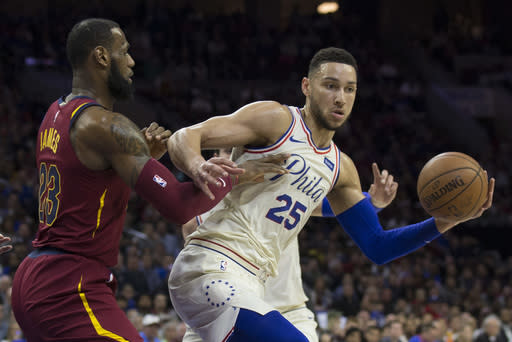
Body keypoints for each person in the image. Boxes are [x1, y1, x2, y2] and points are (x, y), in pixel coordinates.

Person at [166, 46, 495, 342]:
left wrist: (445, 221)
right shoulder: (276, 120)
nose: (341, 97)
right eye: (331, 86)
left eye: (349, 89)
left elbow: (378, 247)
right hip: (212, 266)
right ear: (306, 87)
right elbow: (184, 136)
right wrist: (197, 165)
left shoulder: (341, 169)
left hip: (257, 282)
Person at [10, 18, 287, 341]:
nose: (131, 61)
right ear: (101, 57)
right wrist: (234, 174)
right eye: (124, 52)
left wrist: (134, 160)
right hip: (68, 287)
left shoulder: (55, 113)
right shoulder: (107, 125)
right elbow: (178, 206)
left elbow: (83, 186)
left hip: (35, 277)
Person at [181, 156, 399, 342]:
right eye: (225, 157)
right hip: (221, 310)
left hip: (287, 311)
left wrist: (372, 202)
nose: (233, 162)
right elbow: (190, 235)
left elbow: (333, 207)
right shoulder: (201, 214)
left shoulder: (278, 195)